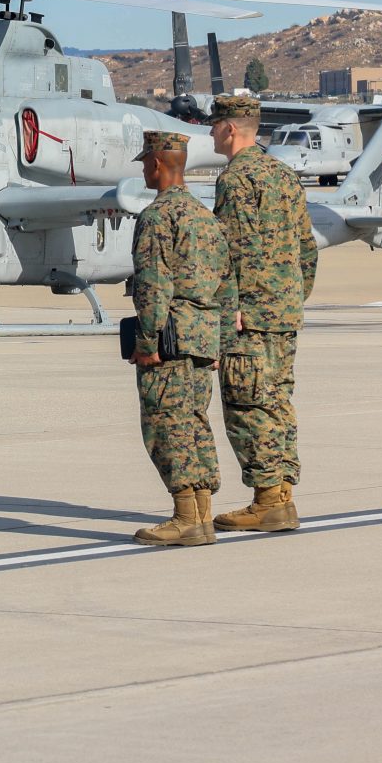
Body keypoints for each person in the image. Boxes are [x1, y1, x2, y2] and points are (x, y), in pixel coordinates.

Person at [210, 92, 317, 533]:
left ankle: (269, 500)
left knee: (248, 404)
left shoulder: (236, 179)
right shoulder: (285, 175)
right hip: (284, 313)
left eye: (214, 124)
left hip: (250, 317)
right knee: (277, 401)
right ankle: (281, 496)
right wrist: (292, 295)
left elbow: (229, 250)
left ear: (231, 129)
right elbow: (307, 247)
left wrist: (231, 306)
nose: (211, 132)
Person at [126, 129, 231, 548]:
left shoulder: (157, 217)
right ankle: (201, 516)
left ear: (155, 164)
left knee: (166, 425)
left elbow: (153, 283)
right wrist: (218, 340)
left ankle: (186, 516)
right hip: (203, 337)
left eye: (146, 164)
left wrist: (147, 342)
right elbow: (228, 282)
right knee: (194, 422)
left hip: (169, 336)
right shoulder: (206, 218)